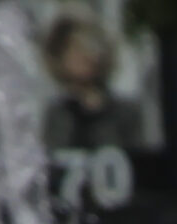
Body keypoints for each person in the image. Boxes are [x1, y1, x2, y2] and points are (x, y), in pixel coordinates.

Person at [41, 8, 145, 151]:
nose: (84, 56)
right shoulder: (57, 114)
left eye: (88, 48)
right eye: (74, 49)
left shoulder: (125, 112)